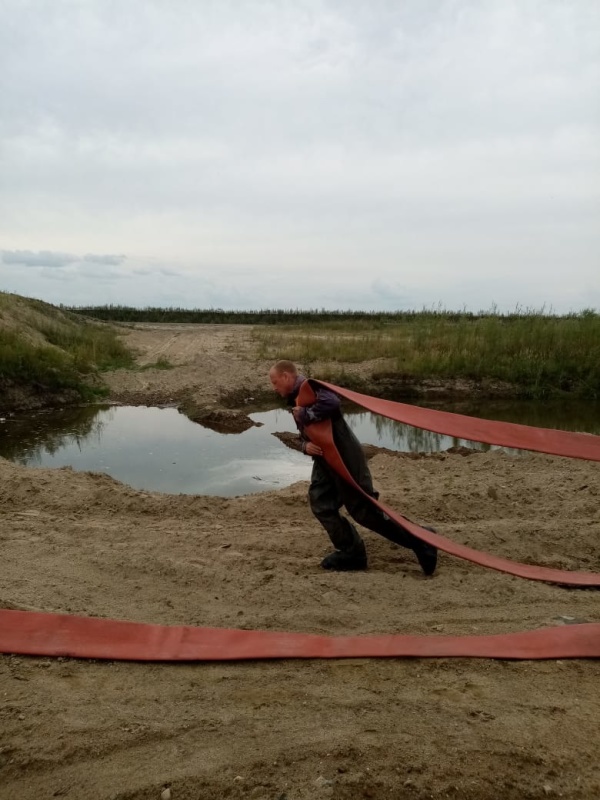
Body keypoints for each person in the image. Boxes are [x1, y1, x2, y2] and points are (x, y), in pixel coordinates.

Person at [269, 360, 438, 575]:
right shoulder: (296, 396)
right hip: (324, 459)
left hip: (344, 456)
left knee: (365, 511)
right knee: (321, 504)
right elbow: (308, 431)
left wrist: (306, 415)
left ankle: (422, 541)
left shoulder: (308, 387)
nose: (274, 387)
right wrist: (304, 446)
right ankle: (351, 552)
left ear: (286, 376)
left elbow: (332, 402)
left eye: (275, 382)